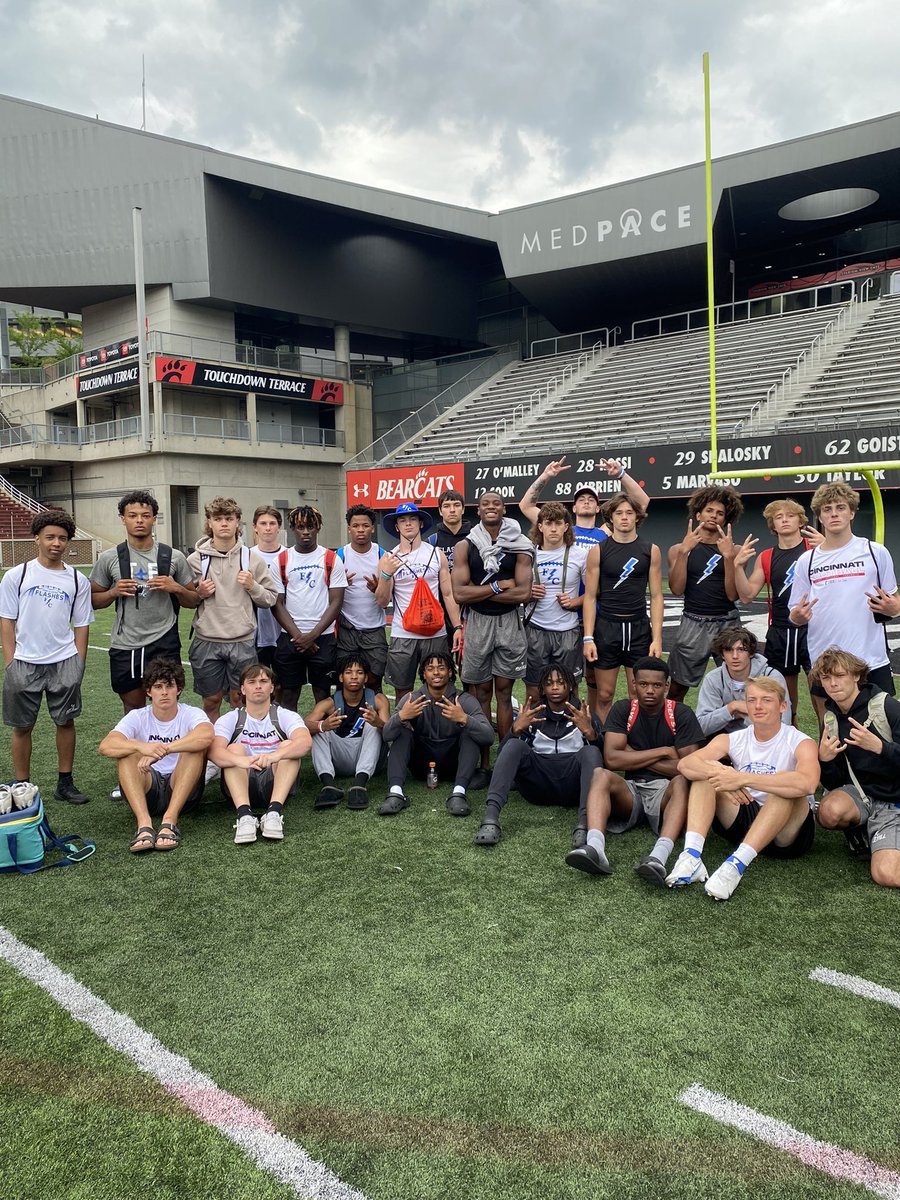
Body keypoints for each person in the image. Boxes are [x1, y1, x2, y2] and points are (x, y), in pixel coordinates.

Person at [667, 676, 819, 900]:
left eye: (766, 700)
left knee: (786, 787)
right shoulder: (735, 738)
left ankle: (735, 865)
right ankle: (691, 856)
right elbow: (686, 764)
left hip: (787, 834)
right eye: (752, 700)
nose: (758, 706)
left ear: (782, 706)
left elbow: (808, 783)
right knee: (706, 774)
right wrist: (721, 776)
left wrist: (741, 778)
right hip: (746, 814)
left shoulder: (800, 741)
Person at [565, 656, 702, 881]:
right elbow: (612, 760)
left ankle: (659, 857)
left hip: (666, 794)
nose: (650, 690)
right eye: (644, 684)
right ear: (634, 684)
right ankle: (595, 848)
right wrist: (664, 751)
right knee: (601, 774)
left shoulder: (681, 713)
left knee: (682, 781)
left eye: (657, 685)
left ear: (666, 686)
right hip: (631, 792)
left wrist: (631, 754)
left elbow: (688, 768)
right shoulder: (623, 709)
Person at [0, 510, 94, 805]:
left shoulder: (78, 580)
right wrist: (11, 661)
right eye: (50, 537)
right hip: (24, 662)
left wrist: (78, 662)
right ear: (37, 538)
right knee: (22, 726)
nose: (57, 543)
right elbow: (6, 620)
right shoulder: (18, 575)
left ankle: (64, 782)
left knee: (65, 722)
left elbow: (82, 624)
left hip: (64, 660)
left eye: (63, 538)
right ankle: (22, 786)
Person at [789, 480, 900, 711]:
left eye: (840, 508)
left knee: (881, 731)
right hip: (825, 661)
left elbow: (894, 602)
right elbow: (794, 613)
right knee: (829, 731)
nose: (834, 514)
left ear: (851, 512)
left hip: (871, 659)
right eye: (827, 509)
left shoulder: (875, 551)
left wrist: (892, 608)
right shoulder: (806, 561)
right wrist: (798, 616)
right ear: (819, 516)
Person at [90, 489, 199, 714]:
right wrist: (113, 592)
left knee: (167, 706)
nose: (139, 520)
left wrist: (175, 587)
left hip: (164, 640)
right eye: (132, 515)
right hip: (126, 643)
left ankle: (167, 748)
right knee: (133, 707)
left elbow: (193, 600)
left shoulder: (173, 556)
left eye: (145, 515)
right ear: (123, 519)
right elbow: (92, 600)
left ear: (154, 519)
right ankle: (138, 750)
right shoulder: (110, 558)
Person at [473, 663, 602, 847]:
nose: (555, 687)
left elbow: (602, 761)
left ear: (571, 686)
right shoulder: (533, 714)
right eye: (549, 683)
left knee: (591, 751)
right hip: (537, 787)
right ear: (542, 688)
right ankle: (491, 819)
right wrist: (515, 730)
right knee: (515, 746)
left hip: (573, 786)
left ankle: (584, 824)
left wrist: (590, 734)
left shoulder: (584, 713)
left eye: (560, 682)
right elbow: (503, 758)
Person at [452, 491, 533, 781]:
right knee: (481, 694)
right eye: (485, 503)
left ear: (503, 508)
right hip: (478, 623)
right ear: (478, 509)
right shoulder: (466, 545)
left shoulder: (520, 544)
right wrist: (499, 588)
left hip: (510, 624)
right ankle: (485, 764)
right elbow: (460, 593)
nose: (491, 507)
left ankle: (505, 762)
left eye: (496, 503)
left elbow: (523, 593)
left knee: (504, 694)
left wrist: (479, 591)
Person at [98, 658, 213, 852]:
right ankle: (144, 825)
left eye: (170, 686)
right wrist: (140, 747)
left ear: (179, 689)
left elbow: (206, 735)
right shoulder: (137, 716)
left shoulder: (190, 713)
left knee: (194, 749)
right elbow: (106, 746)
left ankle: (169, 821)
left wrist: (163, 750)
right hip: (148, 788)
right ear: (149, 691)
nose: (165, 692)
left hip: (182, 790)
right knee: (126, 753)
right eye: (158, 687)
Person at [812, 648, 900, 886]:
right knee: (827, 813)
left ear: (856, 676)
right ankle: (863, 831)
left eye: (839, 676)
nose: (832, 684)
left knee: (886, 875)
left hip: (893, 802)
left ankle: (881, 836)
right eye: (826, 678)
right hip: (862, 794)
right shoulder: (830, 717)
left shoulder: (887, 706)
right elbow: (834, 783)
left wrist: (881, 747)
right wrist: (826, 760)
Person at [187, 497, 279, 720]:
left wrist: (252, 586)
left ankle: (239, 745)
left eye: (229, 518)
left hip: (242, 641)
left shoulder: (252, 559)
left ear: (238, 522)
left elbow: (270, 598)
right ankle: (214, 751)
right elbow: (185, 599)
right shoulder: (196, 560)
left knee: (241, 700)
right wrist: (199, 593)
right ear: (210, 523)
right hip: (207, 639)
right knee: (211, 700)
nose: (224, 523)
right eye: (218, 519)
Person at [379, 651, 493, 816]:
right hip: (421, 766)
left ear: (450, 672)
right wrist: (402, 716)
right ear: (424, 674)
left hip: (454, 766)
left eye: (441, 668)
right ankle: (396, 793)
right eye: (430, 668)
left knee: (471, 731)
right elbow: (386, 735)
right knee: (402, 731)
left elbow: (488, 737)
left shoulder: (464, 700)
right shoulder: (412, 699)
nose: (436, 673)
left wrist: (463, 719)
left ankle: (459, 793)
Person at [582, 493, 664, 723]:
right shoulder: (598, 550)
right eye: (619, 513)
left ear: (638, 517)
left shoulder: (651, 550)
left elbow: (657, 596)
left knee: (637, 694)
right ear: (611, 517)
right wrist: (588, 637)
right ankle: (602, 743)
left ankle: (636, 743)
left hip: (638, 628)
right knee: (605, 694)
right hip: (607, 627)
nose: (624, 517)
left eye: (629, 512)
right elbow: (589, 597)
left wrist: (657, 638)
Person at [209, 662, 312, 844]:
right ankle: (244, 816)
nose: (258, 686)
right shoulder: (231, 718)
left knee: (288, 746)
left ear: (272, 688)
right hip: (242, 779)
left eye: (264, 681)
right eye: (252, 682)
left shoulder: (284, 715)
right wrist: (242, 761)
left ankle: (274, 812)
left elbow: (305, 742)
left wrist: (274, 756)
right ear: (242, 688)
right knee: (233, 749)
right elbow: (214, 752)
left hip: (276, 780)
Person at [375, 502, 462, 705]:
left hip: (436, 632)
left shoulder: (435, 554)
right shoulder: (389, 557)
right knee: (402, 689)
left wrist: (457, 626)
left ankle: (438, 731)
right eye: (402, 520)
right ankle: (405, 730)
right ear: (396, 526)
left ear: (420, 523)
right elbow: (382, 601)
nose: (408, 524)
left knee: (440, 686)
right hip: (403, 633)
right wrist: (386, 574)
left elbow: (448, 594)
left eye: (413, 519)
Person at [666, 485, 744, 702]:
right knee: (677, 688)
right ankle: (672, 731)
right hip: (693, 621)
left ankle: (733, 734)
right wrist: (684, 551)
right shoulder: (677, 549)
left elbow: (732, 595)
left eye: (720, 513)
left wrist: (728, 558)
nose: (714, 516)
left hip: (727, 623)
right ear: (698, 514)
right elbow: (676, 589)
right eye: (710, 511)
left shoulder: (734, 551)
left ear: (726, 520)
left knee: (737, 686)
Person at [272, 505, 347, 710]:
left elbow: (336, 602)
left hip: (322, 637)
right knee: (288, 693)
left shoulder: (331, 559)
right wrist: (299, 637)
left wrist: (312, 636)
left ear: (318, 528)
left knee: (322, 693)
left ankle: (322, 740)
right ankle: (290, 740)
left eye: (311, 527)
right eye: (301, 527)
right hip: (290, 637)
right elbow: (276, 603)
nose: (306, 532)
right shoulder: (282, 559)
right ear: (292, 528)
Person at [522, 502, 588, 703]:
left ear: (566, 526)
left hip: (567, 630)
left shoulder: (580, 554)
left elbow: (595, 593)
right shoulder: (527, 553)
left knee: (569, 688)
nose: (553, 528)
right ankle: (534, 731)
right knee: (534, 690)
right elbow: (515, 590)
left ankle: (571, 732)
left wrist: (575, 601)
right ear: (539, 526)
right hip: (535, 629)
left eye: (558, 523)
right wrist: (528, 594)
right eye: (548, 523)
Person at [305, 654, 390, 811]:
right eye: (349, 672)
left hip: (370, 760)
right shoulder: (329, 703)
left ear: (365, 678)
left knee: (372, 725)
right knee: (319, 729)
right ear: (341, 677)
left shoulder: (378, 700)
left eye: (359, 672)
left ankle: (360, 785)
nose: (354, 676)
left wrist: (378, 722)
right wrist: (322, 725)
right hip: (339, 760)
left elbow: (390, 735)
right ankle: (329, 786)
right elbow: (300, 728)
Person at [518, 454, 651, 544]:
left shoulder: (606, 531)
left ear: (598, 508)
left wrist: (621, 474)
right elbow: (526, 506)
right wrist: (545, 476)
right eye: (581, 499)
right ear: (574, 508)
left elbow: (641, 502)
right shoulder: (560, 528)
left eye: (591, 499)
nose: (586, 501)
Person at [695, 625, 791, 738]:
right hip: (726, 742)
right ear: (722, 654)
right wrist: (732, 708)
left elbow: (784, 724)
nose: (735, 656)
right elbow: (700, 727)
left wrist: (746, 714)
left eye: (741, 650)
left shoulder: (772, 677)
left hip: (764, 740)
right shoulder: (713, 679)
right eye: (729, 650)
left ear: (750, 653)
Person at [336, 504, 388, 691]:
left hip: (374, 629)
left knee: (374, 680)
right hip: (347, 628)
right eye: (355, 525)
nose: (360, 530)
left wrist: (378, 589)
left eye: (365, 525)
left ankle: (375, 720)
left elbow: (388, 598)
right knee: (346, 680)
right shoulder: (340, 555)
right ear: (349, 528)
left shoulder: (382, 555)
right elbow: (330, 594)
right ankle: (347, 719)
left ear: (372, 528)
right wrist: (341, 587)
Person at [428, 488, 473, 643]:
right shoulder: (432, 541)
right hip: (440, 608)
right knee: (442, 661)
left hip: (470, 606)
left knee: (468, 661)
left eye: (456, 505)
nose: (452, 510)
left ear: (463, 509)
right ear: (440, 511)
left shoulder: (476, 537)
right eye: (447, 506)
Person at [250, 504, 286, 677]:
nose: (268, 528)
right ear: (255, 527)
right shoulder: (246, 555)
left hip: (285, 629)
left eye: (272, 523)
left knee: (283, 685)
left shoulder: (289, 555)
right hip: (255, 631)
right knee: (257, 680)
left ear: (279, 527)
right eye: (263, 523)